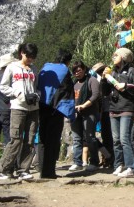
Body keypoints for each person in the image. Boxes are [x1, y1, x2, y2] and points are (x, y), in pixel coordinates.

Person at [0, 43, 39, 180]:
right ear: (22, 53)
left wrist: (36, 95)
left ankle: (23, 169)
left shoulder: (33, 69)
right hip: (18, 107)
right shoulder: (12, 67)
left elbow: (36, 87)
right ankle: (2, 168)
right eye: (28, 56)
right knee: (15, 139)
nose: (30, 59)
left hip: (33, 108)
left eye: (33, 57)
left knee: (30, 139)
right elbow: (3, 86)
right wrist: (19, 94)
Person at [101, 48, 134, 177]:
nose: (113, 57)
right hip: (113, 108)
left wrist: (125, 85)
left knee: (124, 138)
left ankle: (131, 167)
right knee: (116, 140)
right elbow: (105, 92)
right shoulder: (112, 72)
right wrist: (104, 79)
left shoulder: (132, 70)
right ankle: (118, 165)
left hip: (126, 108)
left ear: (124, 57)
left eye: (116, 55)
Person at [37, 49, 75, 179]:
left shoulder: (45, 67)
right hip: (56, 109)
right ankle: (49, 172)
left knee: (42, 139)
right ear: (67, 60)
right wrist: (70, 113)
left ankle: (41, 170)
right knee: (53, 141)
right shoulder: (65, 70)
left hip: (41, 107)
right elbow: (66, 92)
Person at [69, 60, 100, 172]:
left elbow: (95, 95)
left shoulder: (92, 80)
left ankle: (94, 162)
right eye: (75, 71)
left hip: (89, 113)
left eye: (79, 70)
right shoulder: (74, 83)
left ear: (84, 69)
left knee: (90, 137)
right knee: (76, 138)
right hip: (75, 114)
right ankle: (77, 162)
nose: (77, 73)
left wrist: (84, 105)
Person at [0, 53, 17, 164]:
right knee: (9, 139)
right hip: (6, 111)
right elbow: (6, 95)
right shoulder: (7, 76)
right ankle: (8, 165)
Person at [92, 62, 114, 167]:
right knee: (105, 136)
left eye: (101, 70)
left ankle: (111, 158)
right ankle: (106, 158)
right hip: (103, 112)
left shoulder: (110, 79)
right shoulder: (99, 81)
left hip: (110, 110)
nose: (101, 73)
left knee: (110, 136)